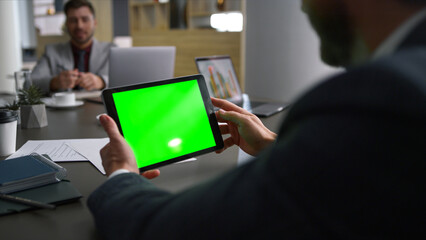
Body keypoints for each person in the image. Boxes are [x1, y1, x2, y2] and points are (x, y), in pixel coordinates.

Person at [88, 0, 426, 239]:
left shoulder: (383, 98)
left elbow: (161, 229)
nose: (304, 7)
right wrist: (272, 147)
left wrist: (121, 173)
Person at [31, 0, 115, 94]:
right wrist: (54, 82)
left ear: (94, 22)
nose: (79, 26)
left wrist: (102, 82)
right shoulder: (52, 51)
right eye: (73, 20)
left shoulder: (111, 50)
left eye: (85, 19)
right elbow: (30, 82)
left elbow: (124, 80)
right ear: (66, 24)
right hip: (62, 108)